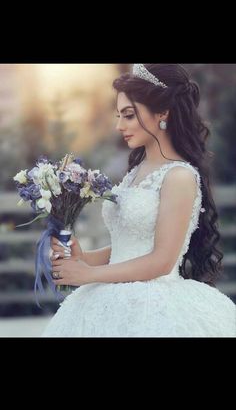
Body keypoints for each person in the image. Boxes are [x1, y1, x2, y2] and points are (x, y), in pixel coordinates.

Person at [42, 64, 236, 337]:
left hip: (154, 304)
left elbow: (161, 261)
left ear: (163, 113)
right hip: (107, 296)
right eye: (119, 116)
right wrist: (83, 257)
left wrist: (88, 274)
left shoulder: (179, 176)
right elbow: (129, 244)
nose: (119, 126)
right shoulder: (137, 170)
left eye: (129, 115)